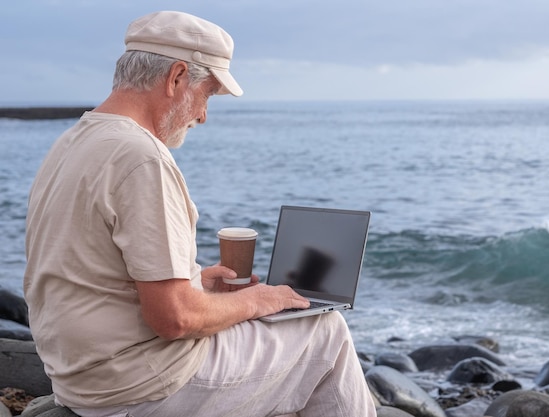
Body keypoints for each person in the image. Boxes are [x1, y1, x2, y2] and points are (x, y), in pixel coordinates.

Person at [23, 10, 376, 417]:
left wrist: (196, 282)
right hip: (138, 384)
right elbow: (174, 319)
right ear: (175, 78)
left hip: (78, 375)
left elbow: (89, 272)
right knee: (324, 332)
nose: (204, 115)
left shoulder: (74, 140)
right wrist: (260, 300)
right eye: (207, 94)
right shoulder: (141, 158)